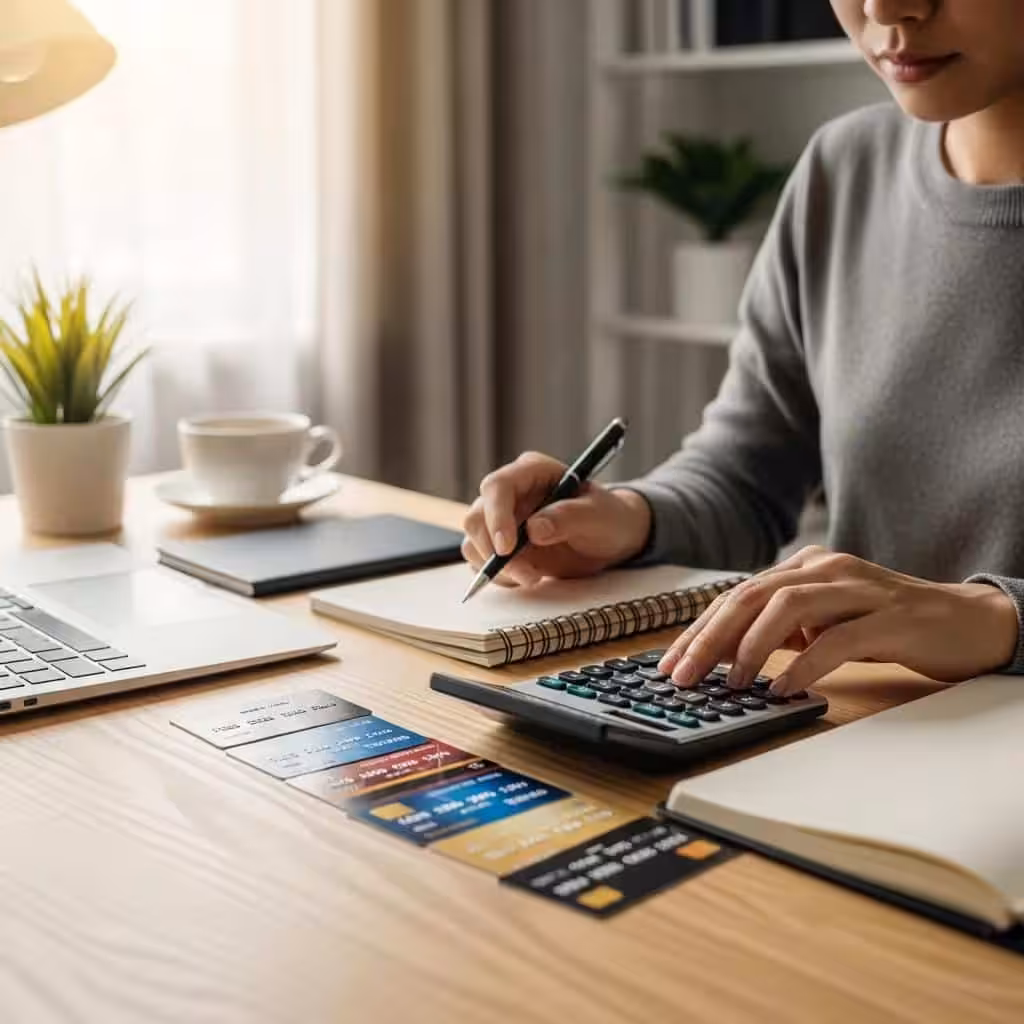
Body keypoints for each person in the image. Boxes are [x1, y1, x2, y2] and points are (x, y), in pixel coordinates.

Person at [461, 0, 1024, 698]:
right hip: (853, 728)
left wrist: (999, 618)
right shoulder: (843, 169)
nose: (883, 6)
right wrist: (629, 520)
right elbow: (746, 474)